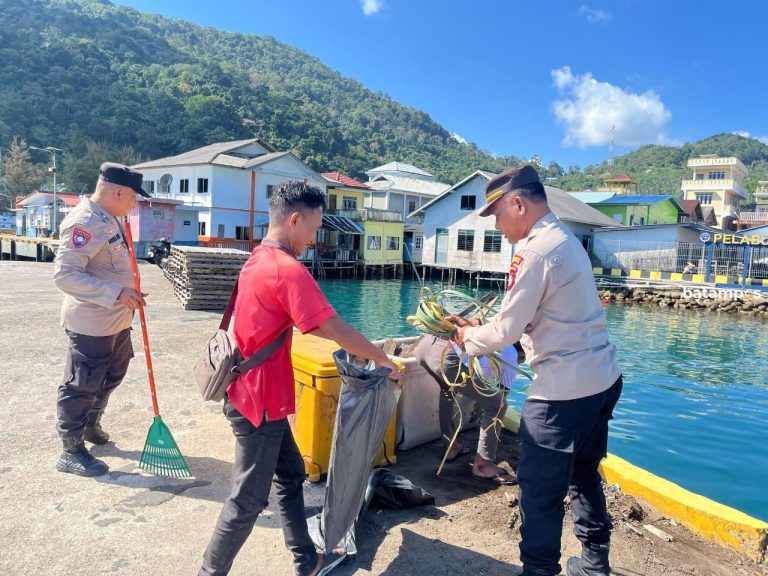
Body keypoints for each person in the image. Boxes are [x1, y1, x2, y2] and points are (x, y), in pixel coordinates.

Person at [199, 181, 401, 576]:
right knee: (247, 502)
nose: (313, 239)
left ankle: (306, 561)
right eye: (313, 228)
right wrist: (383, 360)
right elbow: (333, 328)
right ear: (294, 219)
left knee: (291, 477)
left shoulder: (258, 257)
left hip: (257, 395)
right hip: (257, 404)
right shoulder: (286, 269)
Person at [453, 165, 623, 576]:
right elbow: (545, 319)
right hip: (602, 380)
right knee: (584, 474)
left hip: (563, 394)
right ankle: (595, 563)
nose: (497, 225)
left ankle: (539, 571)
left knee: (539, 494)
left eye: (496, 215)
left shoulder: (534, 250)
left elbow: (508, 327)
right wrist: (495, 332)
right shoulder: (565, 239)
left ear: (518, 203)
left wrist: (467, 338)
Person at [53, 162, 150, 477]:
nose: (135, 203)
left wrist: (126, 294)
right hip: (92, 323)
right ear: (118, 191)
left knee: (114, 374)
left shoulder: (110, 219)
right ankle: (71, 449)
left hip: (117, 319)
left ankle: (91, 423)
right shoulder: (84, 222)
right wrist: (116, 292)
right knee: (82, 383)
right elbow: (65, 276)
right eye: (133, 197)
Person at [415, 336, 518, 484]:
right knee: (497, 404)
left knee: (447, 390)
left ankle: (451, 447)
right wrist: (484, 405)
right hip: (447, 356)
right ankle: (483, 465)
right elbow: (501, 395)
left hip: (426, 348)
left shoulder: (500, 336)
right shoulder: (511, 353)